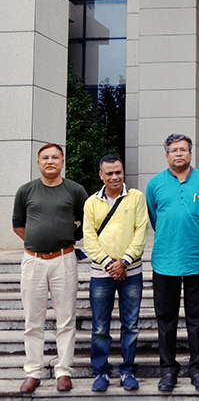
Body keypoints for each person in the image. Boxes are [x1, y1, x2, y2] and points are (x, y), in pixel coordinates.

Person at [13, 143, 88, 393]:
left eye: (55, 157)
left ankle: (63, 371)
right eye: (45, 157)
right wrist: (38, 241)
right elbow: (18, 225)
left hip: (64, 260)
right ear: (38, 162)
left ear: (62, 161)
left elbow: (85, 221)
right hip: (33, 261)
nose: (50, 161)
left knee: (65, 320)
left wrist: (65, 238)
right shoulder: (26, 191)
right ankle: (33, 372)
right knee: (33, 321)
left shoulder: (75, 190)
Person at [146, 134, 199, 392]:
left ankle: (198, 370)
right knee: (166, 320)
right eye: (174, 150)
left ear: (190, 153)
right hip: (165, 261)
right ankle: (168, 370)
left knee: (197, 320)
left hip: (197, 259)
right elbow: (155, 218)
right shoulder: (155, 184)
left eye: (183, 150)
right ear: (167, 155)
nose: (179, 154)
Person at [83, 155, 148, 392]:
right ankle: (101, 372)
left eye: (118, 172)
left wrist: (124, 262)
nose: (114, 177)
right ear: (101, 175)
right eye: (109, 173)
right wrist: (110, 264)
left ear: (123, 172)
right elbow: (89, 238)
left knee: (130, 325)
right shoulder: (91, 202)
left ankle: (128, 370)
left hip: (132, 272)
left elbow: (141, 232)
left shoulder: (136, 197)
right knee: (100, 327)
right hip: (102, 274)